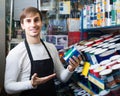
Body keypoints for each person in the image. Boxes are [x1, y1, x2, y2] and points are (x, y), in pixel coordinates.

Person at [4, 7, 82, 96]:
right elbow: (8, 87)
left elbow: (62, 77)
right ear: (22, 25)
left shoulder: (51, 48)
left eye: (36, 20)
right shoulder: (16, 53)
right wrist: (31, 84)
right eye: (28, 21)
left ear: (41, 23)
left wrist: (70, 68)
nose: (33, 25)